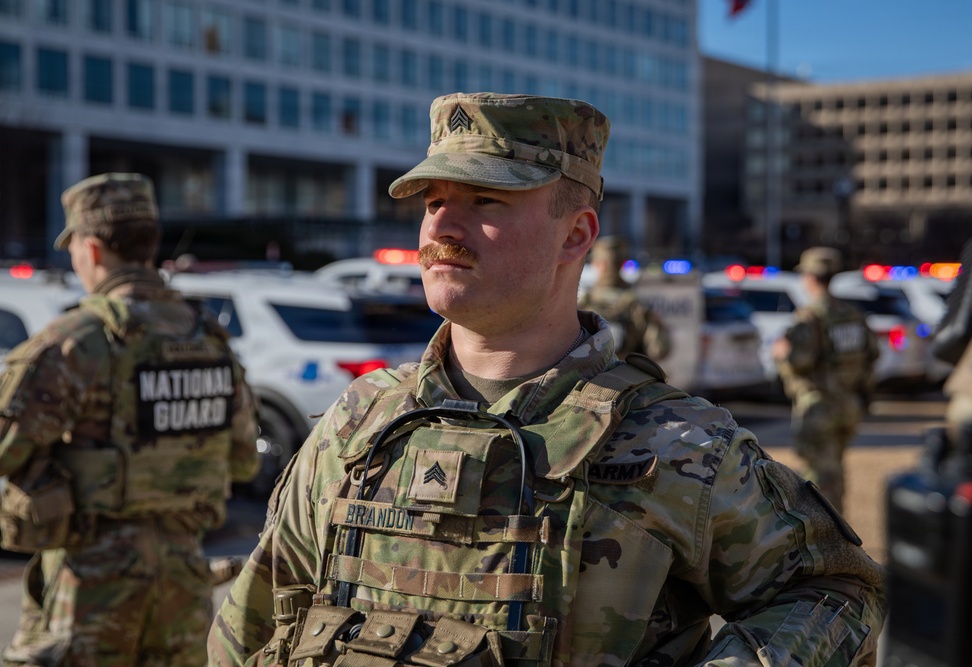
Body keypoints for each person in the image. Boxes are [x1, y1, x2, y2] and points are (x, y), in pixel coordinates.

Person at [209, 93, 887, 666]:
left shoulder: (676, 447)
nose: (442, 225)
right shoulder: (359, 422)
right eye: (433, 200)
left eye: (485, 200)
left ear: (575, 235)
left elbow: (837, 590)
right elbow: (253, 623)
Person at [0, 173, 260, 666]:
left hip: (93, 586)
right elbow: (245, 461)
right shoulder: (208, 338)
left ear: (92, 250)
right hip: (185, 581)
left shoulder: (76, 340)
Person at [772, 246, 879, 514]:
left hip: (819, 408)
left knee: (817, 479)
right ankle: (840, 532)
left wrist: (782, 352)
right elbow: (873, 353)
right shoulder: (852, 315)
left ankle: (829, 541)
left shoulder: (810, 317)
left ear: (809, 276)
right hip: (848, 404)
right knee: (834, 470)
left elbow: (799, 361)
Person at [578, 235, 671, 361]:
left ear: (598, 264)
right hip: (626, 376)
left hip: (589, 377)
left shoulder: (583, 303)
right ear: (622, 263)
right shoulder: (636, 306)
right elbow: (659, 349)